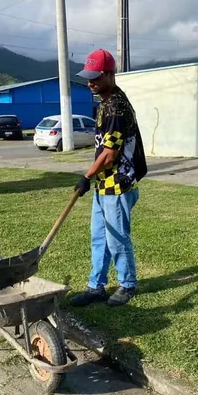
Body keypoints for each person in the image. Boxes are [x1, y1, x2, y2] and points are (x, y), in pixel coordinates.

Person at [70, 49, 147, 308]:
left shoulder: (115, 106)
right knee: (99, 237)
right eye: (88, 77)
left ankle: (127, 284)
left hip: (119, 183)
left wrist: (86, 176)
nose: (90, 82)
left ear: (110, 74)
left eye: (96, 77)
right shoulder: (105, 101)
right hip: (105, 183)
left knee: (117, 237)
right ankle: (96, 286)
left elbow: (110, 153)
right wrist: (94, 178)